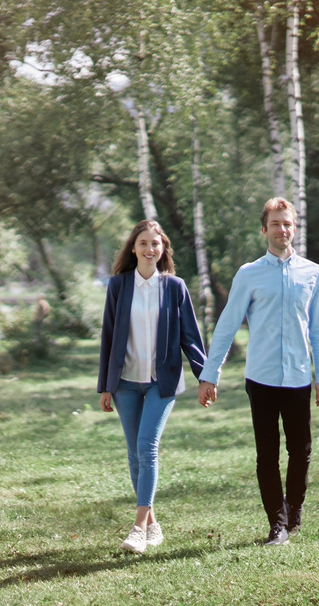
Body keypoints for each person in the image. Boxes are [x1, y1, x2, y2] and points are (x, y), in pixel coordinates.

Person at [197, 197, 319, 546]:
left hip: (299, 376)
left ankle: (294, 512)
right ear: (264, 230)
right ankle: (277, 524)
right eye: (275, 223)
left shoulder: (313, 274)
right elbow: (227, 326)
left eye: (287, 223)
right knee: (267, 453)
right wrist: (209, 374)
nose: (282, 229)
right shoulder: (249, 274)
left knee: (301, 450)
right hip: (261, 377)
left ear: (294, 227)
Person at [98, 220, 207, 554]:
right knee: (135, 455)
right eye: (143, 243)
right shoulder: (118, 286)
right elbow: (108, 337)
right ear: (134, 248)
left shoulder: (174, 287)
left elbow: (190, 336)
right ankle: (152, 524)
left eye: (155, 244)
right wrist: (105, 385)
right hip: (125, 384)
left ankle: (136, 528)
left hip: (162, 382)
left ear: (163, 249)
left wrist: (206, 376)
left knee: (147, 447)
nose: (149, 249)